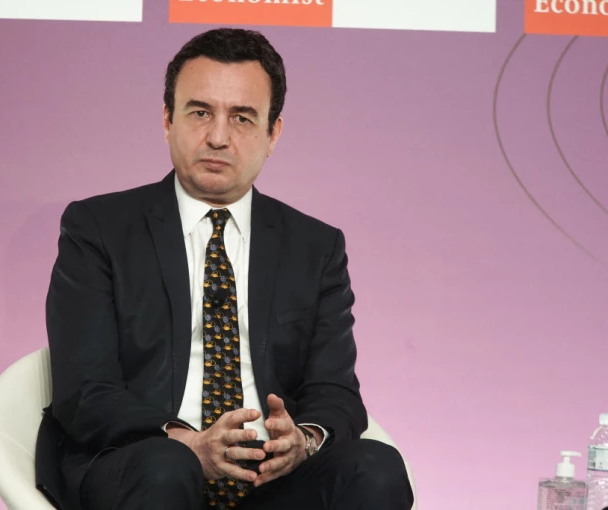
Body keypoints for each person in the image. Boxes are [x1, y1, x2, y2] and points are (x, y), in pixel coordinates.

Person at [34, 27, 414, 510]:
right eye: (199, 113)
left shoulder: (316, 247)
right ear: (167, 119)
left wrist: (303, 440)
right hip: (141, 467)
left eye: (241, 118)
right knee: (168, 465)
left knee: (376, 467)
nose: (217, 137)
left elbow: (336, 392)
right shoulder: (98, 228)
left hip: (268, 486)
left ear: (273, 133)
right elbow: (84, 391)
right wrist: (185, 441)